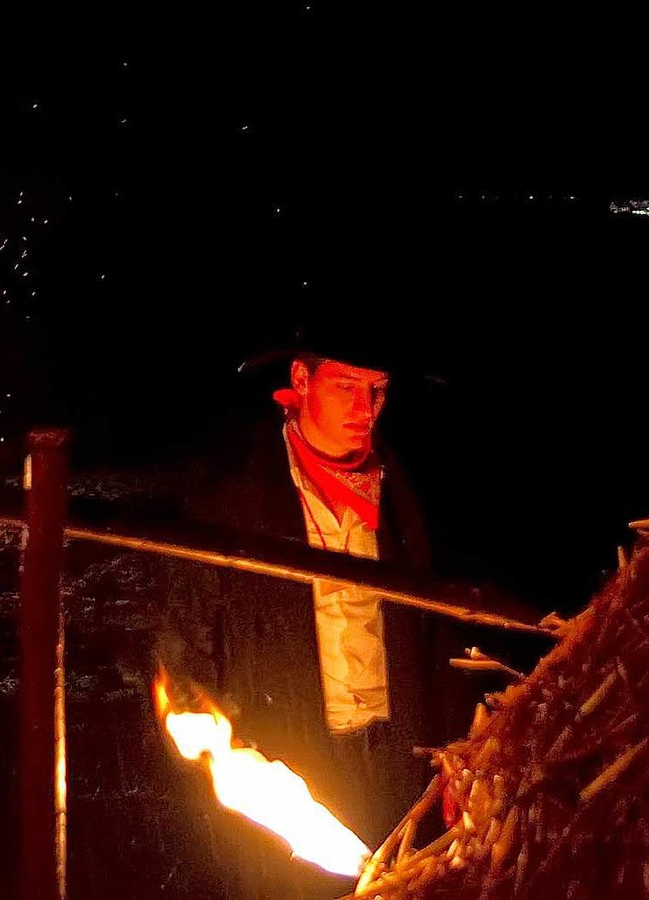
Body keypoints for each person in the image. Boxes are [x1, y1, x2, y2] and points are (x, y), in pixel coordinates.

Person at [154, 313, 471, 896]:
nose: (365, 407)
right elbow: (186, 645)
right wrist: (219, 751)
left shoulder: (410, 499)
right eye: (345, 386)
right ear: (300, 381)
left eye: (377, 389)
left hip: (401, 759)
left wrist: (456, 750)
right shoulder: (232, 502)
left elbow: (446, 639)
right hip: (296, 754)